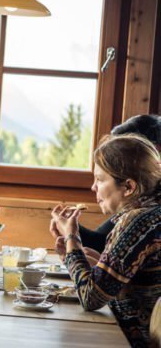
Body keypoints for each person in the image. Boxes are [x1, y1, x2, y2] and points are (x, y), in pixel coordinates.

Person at [50, 134, 160, 346]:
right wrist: (78, 255)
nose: (93, 187)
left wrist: (72, 238)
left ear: (128, 187)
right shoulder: (153, 212)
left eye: (100, 179)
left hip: (132, 340)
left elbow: (90, 298)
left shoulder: (138, 222)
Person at [51, 114, 161, 255]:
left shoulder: (143, 211)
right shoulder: (140, 201)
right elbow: (105, 242)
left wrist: (71, 236)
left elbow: (100, 271)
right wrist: (70, 229)